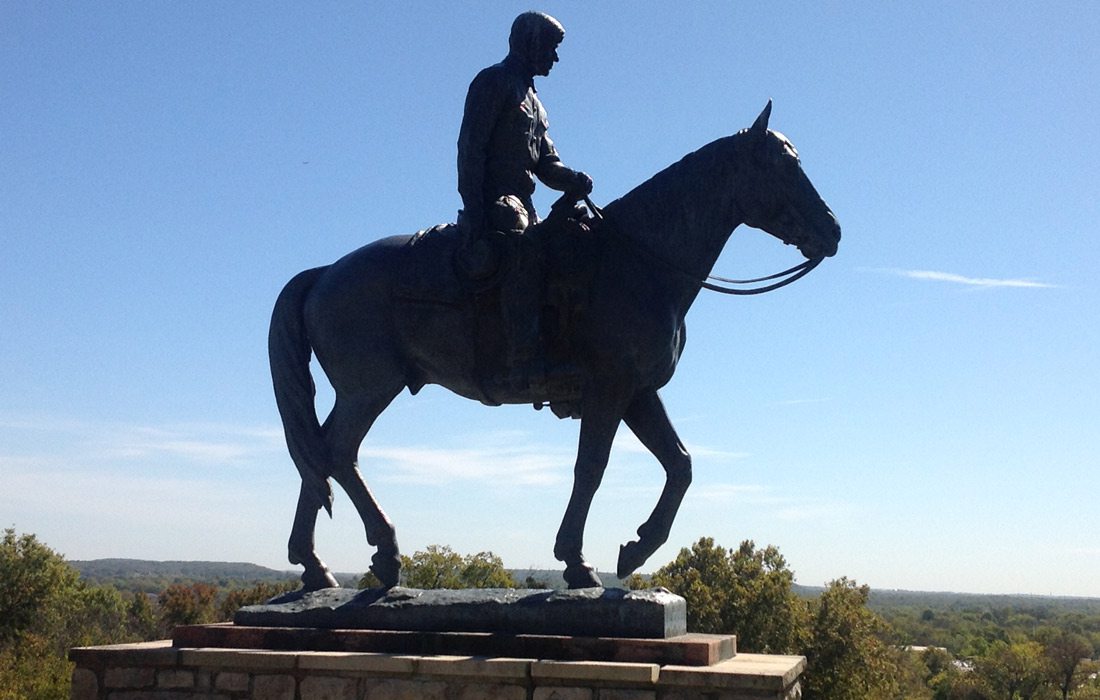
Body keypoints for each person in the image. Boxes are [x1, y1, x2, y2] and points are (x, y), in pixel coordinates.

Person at [455, 11, 592, 391]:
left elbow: (547, 163)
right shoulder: (494, 82)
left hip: (524, 206)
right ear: (529, 43)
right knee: (524, 249)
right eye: (551, 48)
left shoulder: (534, 101)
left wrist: (572, 179)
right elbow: (471, 150)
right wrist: (477, 215)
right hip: (496, 203)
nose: (555, 57)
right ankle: (522, 358)